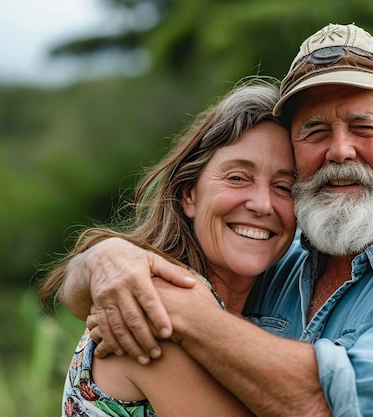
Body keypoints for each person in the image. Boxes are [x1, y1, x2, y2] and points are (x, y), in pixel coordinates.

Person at [59, 23, 373, 417]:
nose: (340, 149)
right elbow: (80, 291)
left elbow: (328, 405)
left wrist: (184, 313)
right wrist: (106, 259)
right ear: (188, 195)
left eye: (364, 127)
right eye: (315, 131)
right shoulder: (272, 263)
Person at [38, 79, 297, 416]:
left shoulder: (280, 287)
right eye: (237, 178)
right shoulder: (153, 305)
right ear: (189, 194)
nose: (263, 204)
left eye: (284, 186)